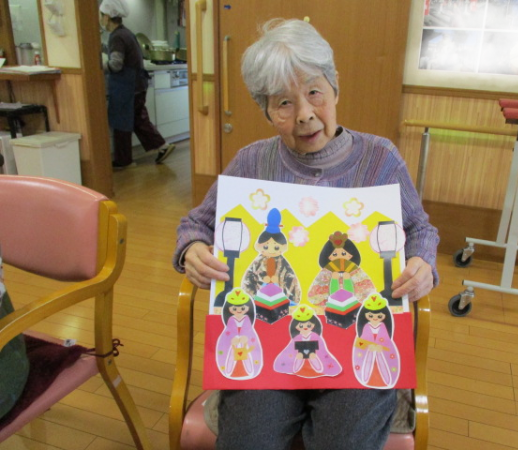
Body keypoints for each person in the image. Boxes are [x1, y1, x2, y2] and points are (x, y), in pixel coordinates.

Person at [173, 18, 439, 450]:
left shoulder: (380, 158)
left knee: (346, 442)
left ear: (335, 87)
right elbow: (196, 223)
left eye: (315, 92)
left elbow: (419, 228)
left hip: (356, 345)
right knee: (246, 441)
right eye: (283, 102)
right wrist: (193, 249)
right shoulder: (251, 163)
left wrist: (422, 263)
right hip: (265, 345)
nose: (304, 113)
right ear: (266, 111)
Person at [99, 0, 176, 169]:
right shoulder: (125, 33)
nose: (100, 19)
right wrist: (100, 48)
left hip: (127, 87)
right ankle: (161, 146)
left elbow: (116, 64)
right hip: (135, 85)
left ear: (107, 17)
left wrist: (98, 67)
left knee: (123, 122)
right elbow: (119, 54)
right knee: (137, 120)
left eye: (101, 15)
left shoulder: (117, 36)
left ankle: (124, 160)